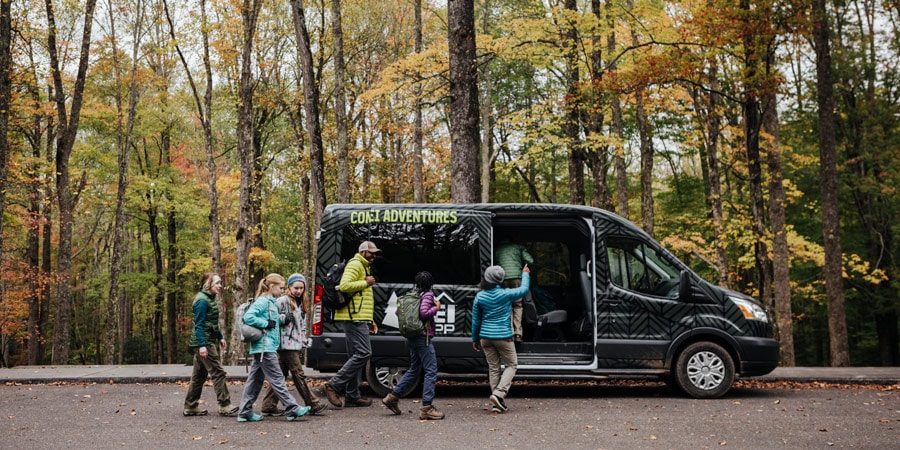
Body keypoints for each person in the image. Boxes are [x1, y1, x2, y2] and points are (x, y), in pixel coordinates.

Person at [236, 273, 312, 422]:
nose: (282, 291)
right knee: (277, 379)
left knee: (255, 381)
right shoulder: (263, 301)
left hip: (264, 347)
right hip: (265, 347)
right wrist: (265, 323)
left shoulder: (271, 301)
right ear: (272, 286)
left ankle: (244, 412)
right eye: (281, 287)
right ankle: (292, 408)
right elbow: (248, 317)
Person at [322, 241, 381, 408]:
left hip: (358, 316)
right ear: (363, 252)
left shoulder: (363, 266)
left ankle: (352, 395)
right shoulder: (356, 264)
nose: (374, 256)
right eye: (371, 253)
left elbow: (362, 298)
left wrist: (370, 320)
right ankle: (333, 385)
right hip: (353, 317)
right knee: (364, 353)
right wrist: (366, 282)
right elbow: (345, 286)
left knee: (355, 355)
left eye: (375, 253)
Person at [260, 273, 327, 416]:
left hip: (294, 344)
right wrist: (282, 318)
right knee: (298, 373)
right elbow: (269, 317)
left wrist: (303, 343)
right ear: (289, 287)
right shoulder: (282, 301)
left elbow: (301, 326)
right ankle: (313, 403)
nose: (299, 290)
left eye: (301, 288)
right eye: (296, 287)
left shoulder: (301, 302)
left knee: (280, 375)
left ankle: (268, 405)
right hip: (285, 344)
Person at [381, 271, 445, 420]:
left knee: (414, 369)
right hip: (423, 337)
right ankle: (426, 408)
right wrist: (436, 308)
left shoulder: (411, 294)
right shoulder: (428, 295)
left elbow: (398, 312)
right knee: (431, 371)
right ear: (430, 283)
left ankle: (392, 397)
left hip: (412, 336)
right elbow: (424, 313)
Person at [472, 264, 531, 414]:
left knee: (493, 368)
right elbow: (523, 290)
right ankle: (499, 394)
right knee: (512, 365)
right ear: (500, 280)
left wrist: (475, 339)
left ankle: (496, 402)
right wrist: (525, 274)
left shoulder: (480, 296)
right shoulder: (506, 294)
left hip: (485, 337)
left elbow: (476, 321)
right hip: (503, 337)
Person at [183, 272, 239, 417]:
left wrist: (220, 337)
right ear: (208, 284)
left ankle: (190, 406)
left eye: (220, 283)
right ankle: (225, 404)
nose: (220, 286)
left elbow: (211, 323)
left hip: (206, 340)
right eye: (217, 283)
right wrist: (202, 345)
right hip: (204, 342)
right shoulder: (202, 301)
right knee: (218, 372)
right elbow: (199, 325)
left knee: (199, 375)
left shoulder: (208, 299)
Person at [494, 237, 534, 343]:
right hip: (516, 278)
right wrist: (524, 267)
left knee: (506, 305)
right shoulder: (518, 247)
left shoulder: (497, 249)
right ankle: (518, 334)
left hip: (502, 279)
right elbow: (530, 260)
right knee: (517, 305)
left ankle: (509, 333)